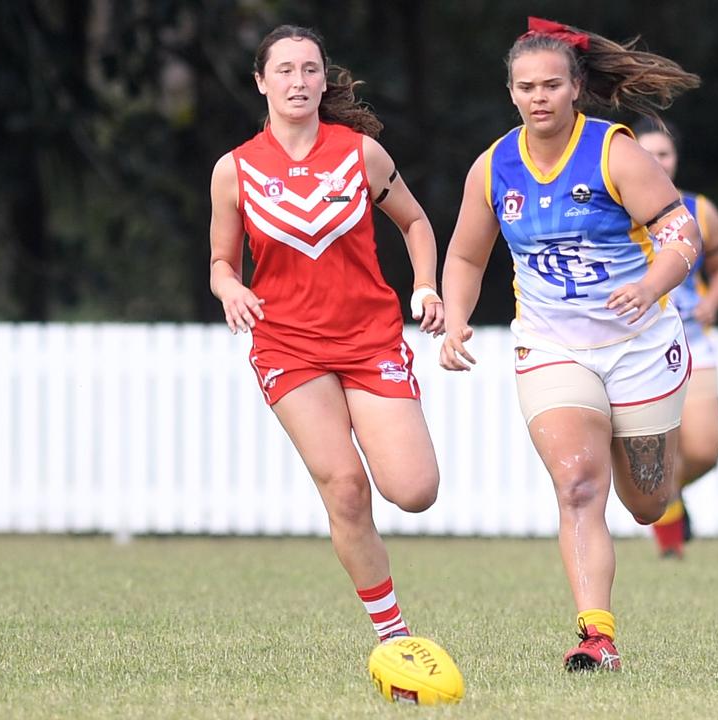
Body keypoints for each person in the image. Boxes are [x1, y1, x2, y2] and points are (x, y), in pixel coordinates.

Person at [439, 17, 702, 671]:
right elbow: (468, 258)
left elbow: (682, 233)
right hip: (553, 347)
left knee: (645, 502)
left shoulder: (615, 153)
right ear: (511, 92)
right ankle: (596, 636)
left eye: (551, 85)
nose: (538, 97)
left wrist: (650, 283)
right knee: (578, 487)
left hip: (640, 344)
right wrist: (456, 320)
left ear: (576, 87)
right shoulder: (494, 167)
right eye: (526, 86)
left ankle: (632, 448)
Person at [208, 24, 446, 644]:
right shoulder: (233, 171)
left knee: (414, 490)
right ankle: (394, 636)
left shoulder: (360, 152)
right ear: (261, 82)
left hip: (370, 340)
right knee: (344, 486)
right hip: (287, 345)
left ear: (323, 79)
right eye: (284, 70)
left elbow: (416, 223)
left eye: (310, 69)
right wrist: (230, 287)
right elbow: (220, 264)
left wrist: (425, 287)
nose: (298, 81)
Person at [633, 118, 718, 559]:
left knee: (705, 448)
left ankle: (668, 492)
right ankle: (671, 548)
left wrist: (713, 299)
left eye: (665, 154)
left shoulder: (700, 210)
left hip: (692, 340)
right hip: (635, 344)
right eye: (647, 153)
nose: (657, 162)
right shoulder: (611, 209)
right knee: (641, 452)